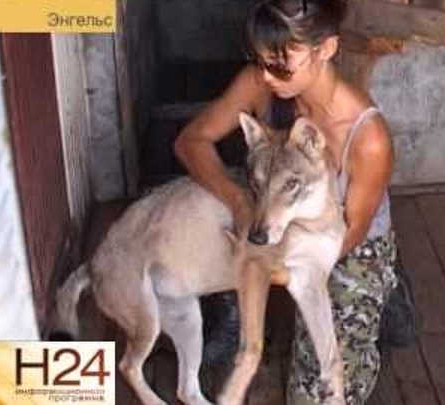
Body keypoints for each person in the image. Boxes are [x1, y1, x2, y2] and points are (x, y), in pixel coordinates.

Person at [173, 0, 403, 403]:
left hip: (346, 243)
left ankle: (383, 294)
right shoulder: (261, 82)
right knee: (202, 219)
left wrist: (274, 267)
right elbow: (191, 142)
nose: (265, 75)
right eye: (258, 60)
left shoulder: (369, 137)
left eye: (280, 64)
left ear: (326, 49)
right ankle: (232, 306)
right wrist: (242, 207)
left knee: (317, 393)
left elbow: (349, 234)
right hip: (269, 217)